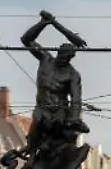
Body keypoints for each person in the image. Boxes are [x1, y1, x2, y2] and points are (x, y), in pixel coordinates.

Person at [19, 10, 89, 158]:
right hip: (41, 109)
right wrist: (42, 23)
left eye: (68, 58)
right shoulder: (45, 59)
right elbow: (26, 40)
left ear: (71, 58)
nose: (64, 60)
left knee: (62, 133)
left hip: (59, 112)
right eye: (62, 56)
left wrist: (74, 117)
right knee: (36, 126)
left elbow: (76, 99)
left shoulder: (72, 74)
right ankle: (31, 152)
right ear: (58, 53)